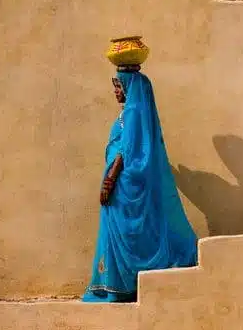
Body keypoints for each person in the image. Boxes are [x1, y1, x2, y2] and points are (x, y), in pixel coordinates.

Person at [82, 67, 198, 302]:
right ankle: (128, 283)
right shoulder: (133, 113)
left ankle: (124, 284)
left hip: (123, 184)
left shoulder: (134, 112)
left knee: (129, 233)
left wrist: (109, 180)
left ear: (130, 88)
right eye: (114, 86)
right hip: (125, 183)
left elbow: (126, 150)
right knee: (132, 232)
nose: (115, 91)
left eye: (118, 86)